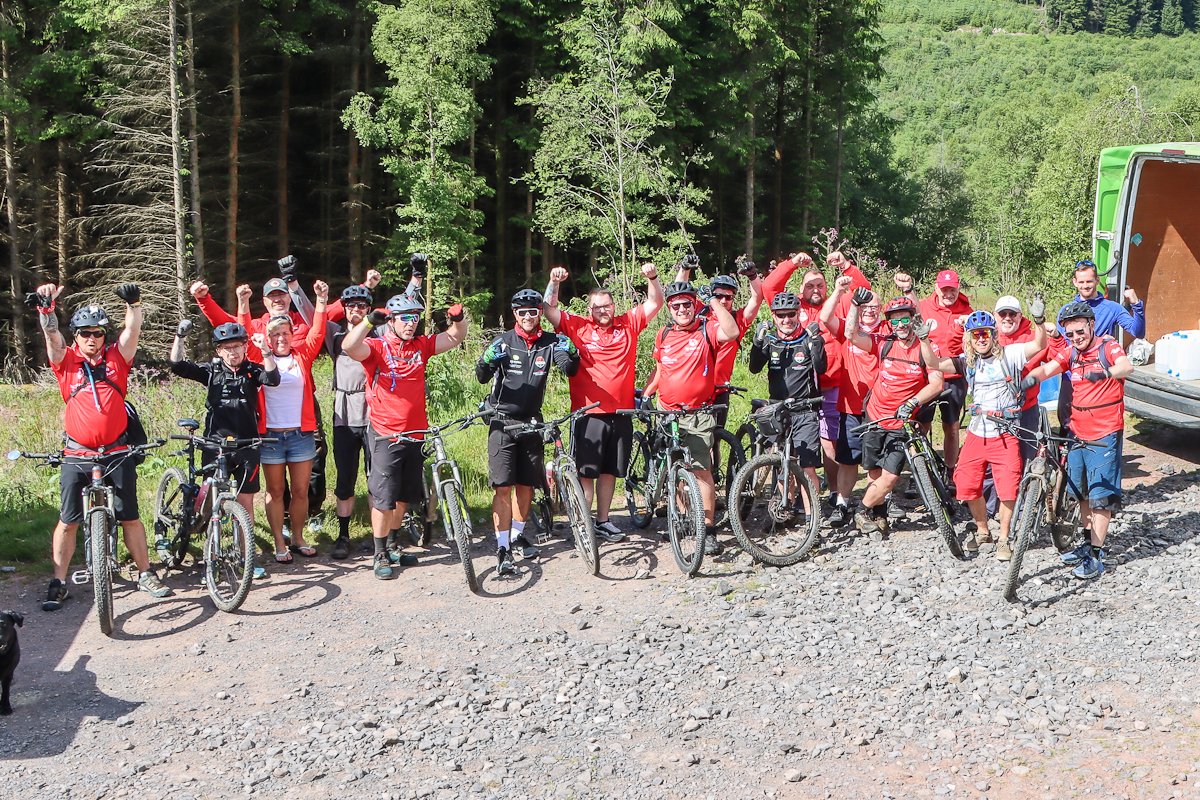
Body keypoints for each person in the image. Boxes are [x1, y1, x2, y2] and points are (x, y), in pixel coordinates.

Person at [32, 282, 173, 611]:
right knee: (67, 521)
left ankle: (145, 572)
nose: (91, 339)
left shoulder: (116, 358)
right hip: (76, 453)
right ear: (77, 336)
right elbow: (52, 337)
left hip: (116, 452)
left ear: (103, 335)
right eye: (84, 334)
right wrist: (46, 310)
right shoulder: (66, 363)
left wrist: (134, 304)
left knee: (130, 518)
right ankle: (59, 582)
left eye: (97, 333)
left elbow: (132, 330)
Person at [341, 292, 467, 580]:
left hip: (416, 434)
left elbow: (455, 337)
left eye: (415, 318)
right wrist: (369, 322)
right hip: (387, 435)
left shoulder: (421, 346)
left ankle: (394, 544)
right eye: (405, 319)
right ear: (392, 321)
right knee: (384, 499)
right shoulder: (376, 347)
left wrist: (459, 318)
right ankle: (379, 552)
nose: (411, 324)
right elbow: (349, 346)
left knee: (402, 498)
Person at [543, 263, 664, 542]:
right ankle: (584, 524)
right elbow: (549, 311)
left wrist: (652, 278)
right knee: (587, 473)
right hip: (589, 414)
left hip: (621, 412)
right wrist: (554, 282)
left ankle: (603, 521)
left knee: (610, 471)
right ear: (590, 310)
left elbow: (655, 302)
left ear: (613, 305)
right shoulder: (579, 326)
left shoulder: (628, 323)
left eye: (606, 305)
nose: (603, 311)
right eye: (597, 307)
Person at [1026, 301, 1133, 581]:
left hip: (1104, 433)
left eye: (1079, 331)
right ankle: (1086, 543)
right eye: (1070, 333)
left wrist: (1106, 373)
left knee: (1101, 498)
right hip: (1076, 432)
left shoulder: (1107, 347)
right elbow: (1048, 368)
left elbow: (1126, 366)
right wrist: (1024, 379)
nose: (1076, 337)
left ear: (1091, 325)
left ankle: (1096, 556)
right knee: (1081, 492)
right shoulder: (1070, 353)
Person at [477, 289, 580, 574]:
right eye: (521, 312)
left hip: (532, 423)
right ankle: (502, 547)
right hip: (502, 422)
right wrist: (486, 359)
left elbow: (569, 368)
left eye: (532, 312)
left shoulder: (549, 342)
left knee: (526, 486)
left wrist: (571, 352)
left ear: (539, 313)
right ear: (514, 314)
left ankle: (518, 535)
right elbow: (482, 376)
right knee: (502, 487)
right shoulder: (504, 342)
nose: (527, 317)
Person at [762, 250, 871, 506]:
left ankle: (834, 493)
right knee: (792, 444)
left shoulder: (837, 301)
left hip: (832, 383)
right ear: (801, 288)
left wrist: (846, 266)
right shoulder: (792, 307)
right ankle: (789, 499)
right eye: (810, 285)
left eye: (820, 284)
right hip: (796, 388)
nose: (815, 289)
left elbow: (863, 290)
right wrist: (791, 264)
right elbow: (769, 288)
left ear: (826, 286)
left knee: (829, 440)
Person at [290, 281, 381, 561]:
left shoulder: (380, 333)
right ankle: (343, 535)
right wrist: (295, 285)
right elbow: (310, 316)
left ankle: (383, 538)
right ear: (344, 309)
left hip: (374, 415)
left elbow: (404, 313)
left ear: (368, 309)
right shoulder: (335, 333)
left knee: (376, 477)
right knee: (345, 477)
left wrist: (415, 279)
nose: (356, 310)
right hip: (344, 414)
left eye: (362, 306)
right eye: (351, 306)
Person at [946, 310, 1045, 559]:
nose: (981, 339)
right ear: (970, 338)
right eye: (976, 335)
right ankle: (982, 530)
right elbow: (934, 364)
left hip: (1005, 432)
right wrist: (924, 340)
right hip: (977, 433)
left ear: (994, 335)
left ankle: (1004, 538)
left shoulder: (1010, 354)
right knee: (966, 483)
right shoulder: (968, 361)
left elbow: (1038, 345)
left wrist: (1040, 322)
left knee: (1008, 487)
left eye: (986, 334)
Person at [846, 295, 945, 539]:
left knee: (890, 477)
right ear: (888, 323)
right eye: (894, 321)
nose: (900, 325)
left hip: (901, 422)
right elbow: (851, 334)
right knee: (874, 473)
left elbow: (937, 384)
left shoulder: (926, 348)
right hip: (874, 418)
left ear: (913, 320)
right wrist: (854, 306)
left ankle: (860, 510)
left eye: (904, 319)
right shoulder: (885, 343)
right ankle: (878, 516)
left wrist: (913, 402)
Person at [652, 281, 739, 553]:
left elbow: (732, 331)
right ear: (669, 308)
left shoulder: (706, 328)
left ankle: (708, 527)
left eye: (686, 304)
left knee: (702, 472)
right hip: (668, 414)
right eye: (675, 305)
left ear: (694, 305)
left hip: (698, 413)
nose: (681, 309)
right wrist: (648, 395)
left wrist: (712, 301)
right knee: (677, 473)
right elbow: (660, 370)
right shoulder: (663, 334)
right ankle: (683, 520)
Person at [168, 320, 280, 530]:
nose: (233, 352)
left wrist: (265, 351)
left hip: (247, 445)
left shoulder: (251, 371)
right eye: (227, 348)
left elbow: (273, 379)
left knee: (245, 502)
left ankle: (247, 556)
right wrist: (180, 337)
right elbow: (177, 366)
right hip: (215, 445)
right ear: (219, 351)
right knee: (211, 500)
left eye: (237, 346)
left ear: (245, 347)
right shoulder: (211, 371)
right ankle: (209, 543)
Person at [258, 281, 329, 564]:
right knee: (275, 491)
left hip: (300, 434)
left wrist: (321, 300)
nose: (281, 338)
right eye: (275, 334)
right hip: (271, 436)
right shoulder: (258, 358)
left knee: (300, 491)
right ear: (267, 337)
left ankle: (298, 537)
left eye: (285, 333)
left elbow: (318, 330)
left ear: (291, 334)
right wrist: (241, 306)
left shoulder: (302, 356)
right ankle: (279, 542)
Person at [748, 292, 828, 523]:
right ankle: (786, 508)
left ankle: (813, 517)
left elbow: (821, 368)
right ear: (773, 316)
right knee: (783, 462)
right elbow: (754, 368)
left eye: (791, 314)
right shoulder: (771, 341)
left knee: (807, 467)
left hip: (805, 410)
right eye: (781, 315)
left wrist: (815, 343)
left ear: (798, 314)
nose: (786, 320)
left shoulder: (808, 338)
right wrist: (757, 343)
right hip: (778, 411)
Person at [895, 269, 972, 475]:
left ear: (958, 288)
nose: (948, 294)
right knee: (921, 425)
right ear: (936, 288)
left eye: (952, 290)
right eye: (944, 289)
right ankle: (919, 470)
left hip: (954, 378)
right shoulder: (926, 307)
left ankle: (950, 469)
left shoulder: (966, 311)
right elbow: (910, 310)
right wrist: (908, 288)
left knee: (952, 427)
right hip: (927, 376)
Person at [820, 275, 882, 528]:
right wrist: (838, 291)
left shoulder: (887, 332)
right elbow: (824, 318)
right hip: (849, 406)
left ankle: (874, 505)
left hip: (878, 409)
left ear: (880, 310)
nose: (869, 311)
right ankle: (842, 504)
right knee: (847, 460)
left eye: (873, 307)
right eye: (864, 307)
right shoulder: (848, 327)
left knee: (874, 463)